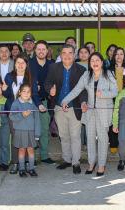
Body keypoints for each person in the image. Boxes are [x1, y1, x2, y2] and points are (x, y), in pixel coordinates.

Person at [62, 52, 118, 176]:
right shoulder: (86, 75)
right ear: (89, 63)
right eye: (92, 60)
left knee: (103, 139)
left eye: (97, 60)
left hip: (104, 111)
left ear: (102, 62)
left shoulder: (109, 74)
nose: (95, 62)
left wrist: (103, 94)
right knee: (90, 139)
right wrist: (65, 100)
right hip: (90, 112)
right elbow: (77, 90)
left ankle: (102, 165)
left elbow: (115, 91)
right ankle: (91, 163)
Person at [45, 44, 87, 174]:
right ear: (61, 55)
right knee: (63, 135)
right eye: (64, 53)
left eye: (70, 53)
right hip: (58, 108)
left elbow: (84, 89)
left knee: (75, 136)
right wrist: (50, 89)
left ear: (74, 55)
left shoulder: (81, 69)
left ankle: (76, 162)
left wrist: (84, 101)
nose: (67, 56)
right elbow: (47, 82)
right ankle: (67, 160)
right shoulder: (53, 67)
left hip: (75, 107)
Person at [3, 55, 42, 174]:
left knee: (28, 142)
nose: (20, 65)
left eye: (23, 63)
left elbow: (34, 94)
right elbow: (7, 95)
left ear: (26, 65)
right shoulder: (9, 76)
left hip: (28, 112)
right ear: (14, 64)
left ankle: (27, 164)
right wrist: (4, 90)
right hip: (13, 110)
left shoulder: (31, 77)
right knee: (17, 140)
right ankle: (16, 164)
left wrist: (39, 105)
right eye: (18, 62)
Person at [29, 40, 55, 164]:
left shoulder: (52, 65)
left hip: (45, 102)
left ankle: (44, 155)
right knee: (31, 129)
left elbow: (54, 83)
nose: (41, 51)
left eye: (43, 49)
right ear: (35, 50)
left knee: (44, 129)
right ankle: (31, 157)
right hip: (30, 102)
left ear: (47, 50)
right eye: (38, 49)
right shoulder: (29, 64)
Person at [9, 84, 41, 177]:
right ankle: (21, 169)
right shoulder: (16, 103)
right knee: (22, 150)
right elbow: (12, 116)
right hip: (20, 131)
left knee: (31, 150)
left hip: (31, 131)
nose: (26, 94)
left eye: (28, 92)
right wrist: (22, 115)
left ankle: (31, 169)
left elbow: (37, 119)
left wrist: (37, 134)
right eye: (24, 91)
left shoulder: (33, 104)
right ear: (19, 92)